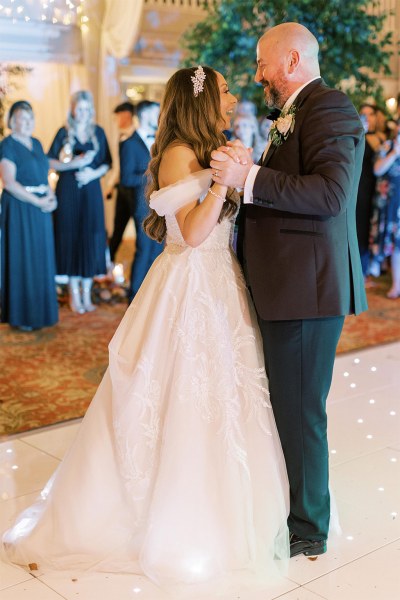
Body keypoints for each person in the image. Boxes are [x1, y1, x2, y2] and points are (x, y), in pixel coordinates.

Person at [2, 66, 289, 598]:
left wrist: (236, 169)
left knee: (223, 397)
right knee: (175, 397)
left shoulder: (213, 146)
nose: (233, 95)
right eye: (225, 89)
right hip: (188, 284)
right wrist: (223, 181)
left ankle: (223, 505)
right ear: (200, 98)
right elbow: (197, 233)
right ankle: (161, 515)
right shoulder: (180, 152)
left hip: (220, 285)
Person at [210, 22, 367, 559]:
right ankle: (298, 509)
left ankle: (309, 528)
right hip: (289, 286)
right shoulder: (296, 115)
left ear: (292, 60)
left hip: (308, 290)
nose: (257, 75)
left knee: (300, 411)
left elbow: (329, 195)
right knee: (287, 405)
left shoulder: (330, 108)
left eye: (262, 63)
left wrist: (249, 178)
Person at [48, 90, 112, 314]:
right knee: (70, 236)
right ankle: (74, 293)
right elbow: (51, 162)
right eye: (79, 108)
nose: (83, 112)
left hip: (92, 191)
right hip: (68, 192)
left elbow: (107, 163)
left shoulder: (99, 132)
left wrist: (92, 175)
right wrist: (74, 165)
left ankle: (87, 292)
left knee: (91, 235)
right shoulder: (63, 132)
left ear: (91, 109)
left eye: (87, 108)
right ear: (72, 109)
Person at [0, 100, 58, 331]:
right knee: (22, 258)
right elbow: (10, 183)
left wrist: (52, 198)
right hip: (20, 208)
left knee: (41, 257)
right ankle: (22, 315)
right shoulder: (8, 145)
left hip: (41, 209)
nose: (26, 123)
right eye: (21, 118)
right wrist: (38, 201)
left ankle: (41, 313)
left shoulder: (36, 142)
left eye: (29, 118)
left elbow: (44, 175)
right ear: (12, 121)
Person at [115, 100, 163, 302]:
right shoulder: (129, 144)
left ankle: (151, 294)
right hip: (142, 204)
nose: (158, 117)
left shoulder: (161, 141)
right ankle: (135, 297)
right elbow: (126, 178)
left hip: (161, 202)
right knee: (144, 250)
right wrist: (153, 175)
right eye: (155, 113)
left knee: (158, 250)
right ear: (144, 115)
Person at [356, 103, 386, 278]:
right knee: (362, 225)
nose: (367, 118)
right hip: (363, 188)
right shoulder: (358, 136)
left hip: (381, 189)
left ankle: (375, 266)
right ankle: (362, 269)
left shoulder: (383, 138)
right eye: (363, 114)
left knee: (378, 227)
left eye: (371, 114)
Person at [373, 121, 400, 298]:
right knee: (396, 245)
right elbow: (377, 169)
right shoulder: (387, 146)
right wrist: (395, 153)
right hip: (392, 203)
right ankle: (397, 285)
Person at [106, 101, 136, 263]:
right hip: (122, 189)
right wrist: (110, 186)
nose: (116, 121)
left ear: (126, 115)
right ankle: (109, 262)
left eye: (117, 117)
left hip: (136, 191)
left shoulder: (137, 136)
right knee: (118, 227)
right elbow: (118, 166)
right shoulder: (120, 136)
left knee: (141, 231)